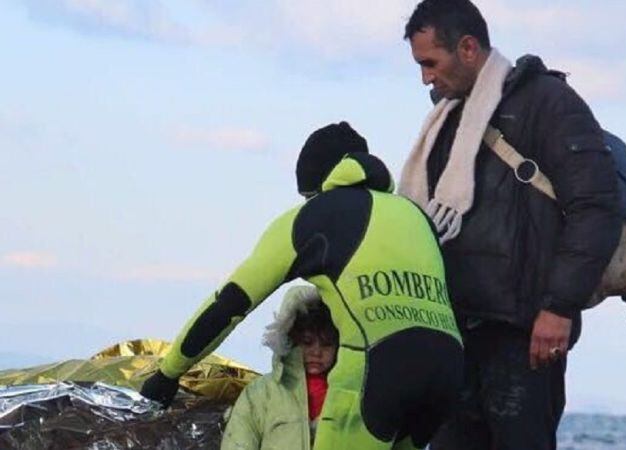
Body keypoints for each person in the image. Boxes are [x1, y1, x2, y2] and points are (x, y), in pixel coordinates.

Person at [141, 122, 464, 450]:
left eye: (307, 195)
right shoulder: (414, 215)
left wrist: (168, 373)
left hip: (379, 366)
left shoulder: (313, 216)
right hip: (448, 369)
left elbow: (229, 305)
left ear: (318, 185)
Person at [399, 1, 623, 449]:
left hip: (524, 336)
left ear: (467, 48)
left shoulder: (549, 103)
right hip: (456, 332)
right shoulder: (447, 118)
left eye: (431, 63)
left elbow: (596, 208)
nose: (425, 78)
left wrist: (559, 308)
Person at [221, 285, 339, 449]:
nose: (317, 352)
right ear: (289, 338)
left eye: (327, 344)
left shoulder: (354, 394)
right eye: (307, 342)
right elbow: (238, 442)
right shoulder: (261, 392)